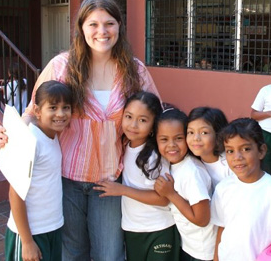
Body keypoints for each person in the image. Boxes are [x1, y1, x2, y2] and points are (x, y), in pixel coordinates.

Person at [0, 0, 159, 261]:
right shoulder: (61, 66)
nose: (102, 31)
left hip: (109, 181)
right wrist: (12, 133)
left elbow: (156, 111)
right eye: (93, 24)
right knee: (72, 253)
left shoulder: (135, 70)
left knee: (109, 254)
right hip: (67, 179)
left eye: (109, 23)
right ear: (81, 28)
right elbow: (32, 114)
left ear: (119, 26)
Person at [93, 91, 179, 261]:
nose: (133, 125)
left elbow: (163, 199)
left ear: (154, 124)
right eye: (129, 116)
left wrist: (122, 190)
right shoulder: (124, 146)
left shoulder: (155, 156)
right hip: (133, 230)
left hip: (159, 229)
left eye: (142, 120)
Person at [5, 80, 73, 261]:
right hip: (30, 233)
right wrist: (27, 242)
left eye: (66, 107)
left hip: (52, 227)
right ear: (37, 111)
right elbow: (15, 194)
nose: (60, 114)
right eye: (52, 107)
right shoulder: (29, 141)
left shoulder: (52, 135)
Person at [154, 108, 217, 261]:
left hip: (202, 251)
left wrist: (171, 194)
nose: (171, 145)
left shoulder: (191, 172)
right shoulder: (173, 165)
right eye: (164, 139)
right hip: (190, 245)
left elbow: (202, 219)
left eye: (178, 138)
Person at [211, 118, 271, 261]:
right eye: (230, 151)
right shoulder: (223, 188)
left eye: (245, 149)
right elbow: (222, 228)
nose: (237, 157)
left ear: (261, 151)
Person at [187, 107, 232, 190]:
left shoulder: (230, 165)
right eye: (191, 132)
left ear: (219, 135)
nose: (195, 138)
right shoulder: (190, 163)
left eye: (204, 133)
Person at [251, 85, 271, 174]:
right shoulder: (266, 90)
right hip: (266, 134)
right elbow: (254, 115)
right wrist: (269, 113)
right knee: (265, 165)